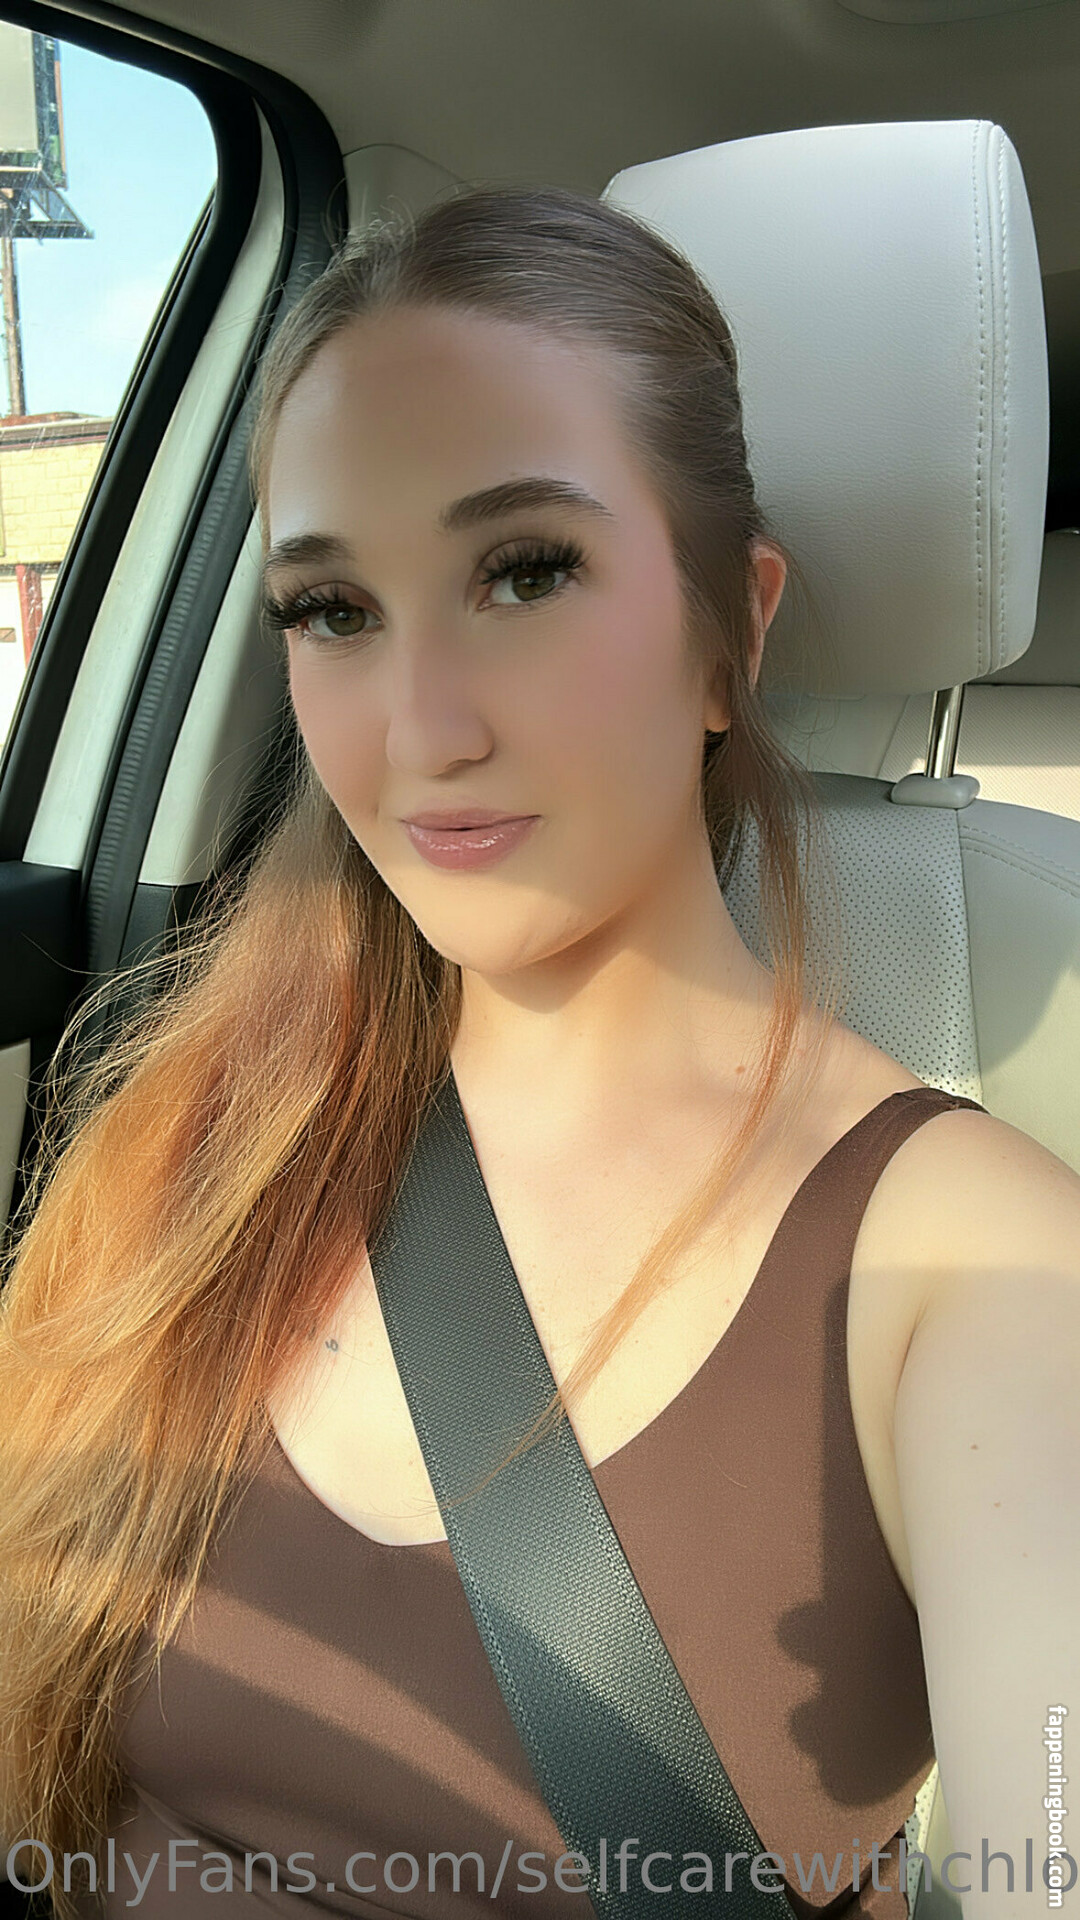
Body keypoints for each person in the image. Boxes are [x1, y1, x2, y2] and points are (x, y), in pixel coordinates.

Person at [1, 185, 1077, 1920]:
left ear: (731, 632)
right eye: (332, 609)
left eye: (524, 572)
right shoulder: (199, 1132)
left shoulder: (977, 1263)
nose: (419, 729)